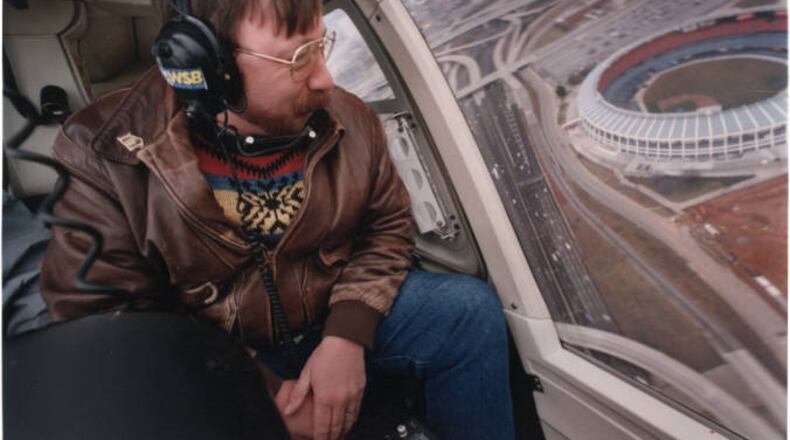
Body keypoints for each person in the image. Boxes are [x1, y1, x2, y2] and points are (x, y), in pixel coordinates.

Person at [39, 0, 515, 438]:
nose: (325, 79)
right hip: (217, 358)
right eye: (299, 57)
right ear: (208, 67)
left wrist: (347, 337)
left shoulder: (349, 118)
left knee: (466, 311)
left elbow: (386, 227)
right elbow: (115, 324)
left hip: (329, 315)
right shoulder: (103, 155)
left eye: (321, 44)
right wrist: (259, 390)